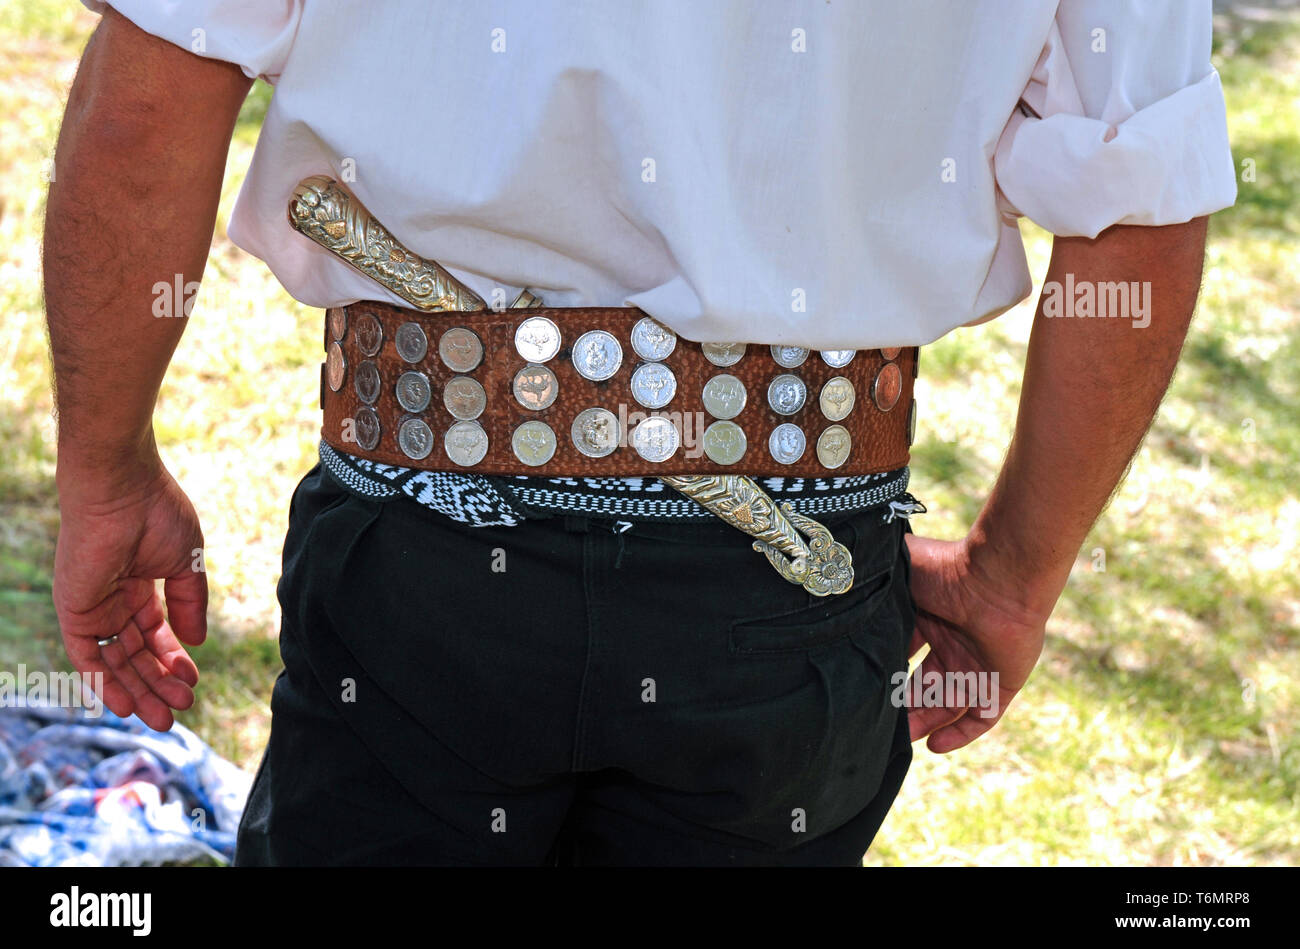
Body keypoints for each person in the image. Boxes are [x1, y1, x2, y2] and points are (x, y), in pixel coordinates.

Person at [45, 1, 1236, 865]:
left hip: (427, 557)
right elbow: (1140, 212)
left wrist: (106, 474)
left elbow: (151, 96)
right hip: (782, 597)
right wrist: (1010, 579)